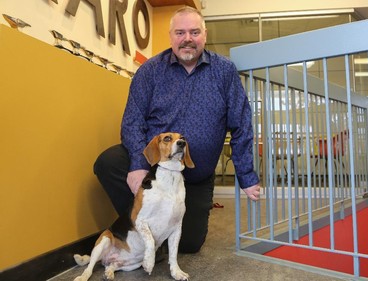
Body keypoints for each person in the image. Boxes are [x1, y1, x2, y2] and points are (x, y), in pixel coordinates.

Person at [94, 6, 260, 254]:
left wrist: (246, 175)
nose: (187, 39)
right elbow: (132, 121)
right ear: (171, 36)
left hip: (195, 175)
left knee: (190, 244)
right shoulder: (150, 71)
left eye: (194, 32)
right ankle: (144, 240)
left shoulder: (224, 71)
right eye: (180, 33)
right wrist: (138, 164)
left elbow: (241, 124)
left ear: (204, 34)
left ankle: (162, 234)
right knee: (108, 162)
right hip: (155, 171)